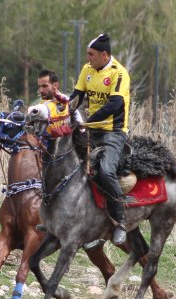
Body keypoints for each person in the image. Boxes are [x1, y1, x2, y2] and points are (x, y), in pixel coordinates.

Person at [69, 33, 131, 246]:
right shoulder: (87, 70)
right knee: (70, 168)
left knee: (105, 171)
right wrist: (63, 111)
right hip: (90, 130)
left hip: (113, 132)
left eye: (91, 55)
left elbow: (114, 105)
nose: (88, 58)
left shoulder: (119, 74)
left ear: (104, 55)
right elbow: (76, 97)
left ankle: (121, 221)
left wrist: (88, 122)